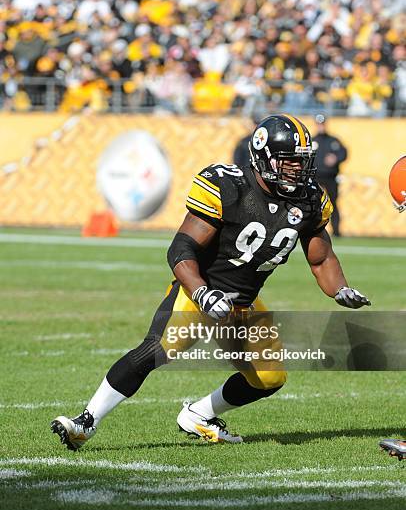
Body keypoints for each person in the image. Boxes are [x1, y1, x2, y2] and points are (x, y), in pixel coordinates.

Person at [51, 114, 370, 449]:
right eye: (289, 162)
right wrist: (201, 292)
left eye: (302, 162)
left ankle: (199, 414)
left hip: (242, 304)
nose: (297, 170)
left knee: (270, 377)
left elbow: (321, 258)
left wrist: (340, 289)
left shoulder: (309, 200)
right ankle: (84, 422)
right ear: (263, 158)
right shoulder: (229, 186)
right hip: (201, 290)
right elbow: (181, 248)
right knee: (156, 350)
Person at [312, 114, 348, 236]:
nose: (321, 126)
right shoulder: (313, 141)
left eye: (322, 123)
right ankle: (313, 230)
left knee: (333, 204)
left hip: (331, 177)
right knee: (315, 204)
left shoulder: (333, 141)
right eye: (319, 124)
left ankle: (336, 231)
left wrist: (336, 158)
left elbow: (344, 153)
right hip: (316, 178)